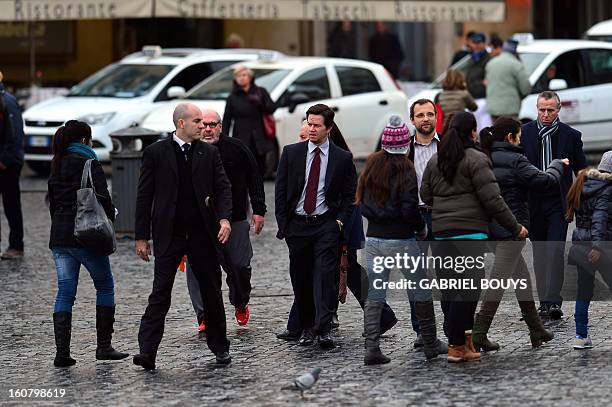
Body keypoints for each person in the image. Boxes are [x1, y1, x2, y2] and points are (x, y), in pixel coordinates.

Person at [420, 112, 528, 363]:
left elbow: (426, 194)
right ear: (471, 132)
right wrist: (515, 228)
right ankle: (456, 345)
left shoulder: (436, 160)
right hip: (470, 234)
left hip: (442, 234)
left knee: (452, 290)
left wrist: (445, 210)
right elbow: (493, 200)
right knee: (467, 291)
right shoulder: (477, 159)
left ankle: (463, 342)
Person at [277, 121, 398, 341]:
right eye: (301, 136)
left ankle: (380, 315)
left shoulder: (338, 159)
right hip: (320, 225)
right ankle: (301, 323)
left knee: (345, 268)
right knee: (314, 270)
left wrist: (340, 229)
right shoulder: (301, 156)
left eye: (305, 137)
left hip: (339, 223)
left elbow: (349, 198)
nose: (302, 142)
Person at [133, 103, 233, 369]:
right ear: (181, 123)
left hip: (202, 233)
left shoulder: (209, 153)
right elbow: (144, 196)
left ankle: (220, 347)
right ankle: (147, 352)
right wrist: (141, 237)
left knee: (211, 292)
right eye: (197, 121)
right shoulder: (156, 153)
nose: (203, 126)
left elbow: (223, 188)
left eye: (204, 121)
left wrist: (224, 218)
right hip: (169, 234)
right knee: (160, 293)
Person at [358, 115, 446, 365]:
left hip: (374, 238)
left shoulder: (372, 165)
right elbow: (409, 209)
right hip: (402, 239)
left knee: (376, 294)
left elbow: (362, 204)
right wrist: (420, 229)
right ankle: (430, 342)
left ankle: (371, 348)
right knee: (421, 289)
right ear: (404, 145)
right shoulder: (406, 168)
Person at [473, 117, 565, 351]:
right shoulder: (516, 160)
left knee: (522, 279)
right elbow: (546, 182)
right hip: (510, 231)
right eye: (519, 136)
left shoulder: (483, 156)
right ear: (510, 137)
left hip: (490, 230)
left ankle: (536, 330)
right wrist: (557, 164)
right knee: (498, 283)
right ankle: (478, 334)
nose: (520, 140)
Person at [275, 103, 357, 349]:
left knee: (324, 277)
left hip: (325, 226)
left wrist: (339, 222)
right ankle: (307, 328)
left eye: (316, 125)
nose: (311, 129)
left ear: (328, 128)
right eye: (309, 124)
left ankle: (323, 329)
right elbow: (280, 191)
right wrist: (285, 224)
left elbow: (349, 194)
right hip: (298, 226)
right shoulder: (292, 153)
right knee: (301, 280)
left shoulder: (342, 158)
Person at [47, 120, 128, 367]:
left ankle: (62, 354)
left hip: (60, 236)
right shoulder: (89, 162)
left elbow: (51, 199)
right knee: (104, 285)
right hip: (86, 235)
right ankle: (103, 347)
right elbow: (102, 195)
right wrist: (111, 212)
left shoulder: (56, 162)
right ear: (84, 140)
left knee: (65, 292)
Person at [184, 109, 266, 331]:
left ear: (221, 126)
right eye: (204, 124)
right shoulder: (188, 150)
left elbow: (255, 178)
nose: (208, 129)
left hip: (236, 217)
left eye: (213, 124)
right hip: (199, 222)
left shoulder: (236, 148)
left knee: (239, 266)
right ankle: (204, 316)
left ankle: (240, 302)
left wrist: (259, 210)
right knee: (197, 269)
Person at [521, 91, 587, 319]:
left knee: (556, 250)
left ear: (558, 109)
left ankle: (554, 301)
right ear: (537, 109)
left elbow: (581, 172)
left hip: (558, 202)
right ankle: (544, 302)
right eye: (542, 110)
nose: (546, 114)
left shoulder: (571, 136)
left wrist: (580, 202)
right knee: (540, 253)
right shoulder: (525, 133)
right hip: (534, 201)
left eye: (550, 110)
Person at [566, 151, 612, 349]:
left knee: (584, 291)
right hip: (599, 249)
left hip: (580, 247)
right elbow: (599, 219)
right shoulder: (608, 189)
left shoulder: (582, 183)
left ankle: (580, 335)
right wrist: (598, 247)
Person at [222, 65, 277, 177]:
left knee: (259, 168)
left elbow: (272, 108)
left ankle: (258, 192)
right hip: (241, 136)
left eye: (244, 75)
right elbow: (227, 119)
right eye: (238, 76)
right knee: (242, 168)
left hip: (259, 136)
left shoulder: (260, 91)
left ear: (250, 77)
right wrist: (224, 139)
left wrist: (260, 104)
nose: (241, 78)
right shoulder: (232, 97)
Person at [0, 71, 25, 260]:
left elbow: (14, 134)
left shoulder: (6, 102)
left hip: (7, 164)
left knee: (11, 205)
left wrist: (4, 160)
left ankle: (16, 245)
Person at [485, 41, 531, 121]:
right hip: (510, 109)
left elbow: (486, 83)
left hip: (493, 109)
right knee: (511, 132)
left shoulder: (490, 63)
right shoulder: (516, 64)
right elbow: (526, 89)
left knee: (496, 132)